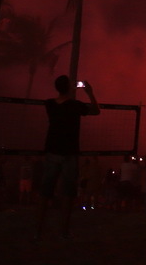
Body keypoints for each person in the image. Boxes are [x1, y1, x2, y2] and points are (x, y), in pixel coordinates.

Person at [34, 76, 99, 240]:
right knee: (68, 193)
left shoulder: (49, 104)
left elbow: (59, 103)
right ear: (70, 88)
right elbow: (96, 111)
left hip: (52, 151)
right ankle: (64, 230)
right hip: (69, 153)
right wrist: (90, 93)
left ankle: (39, 229)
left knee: (46, 191)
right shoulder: (75, 106)